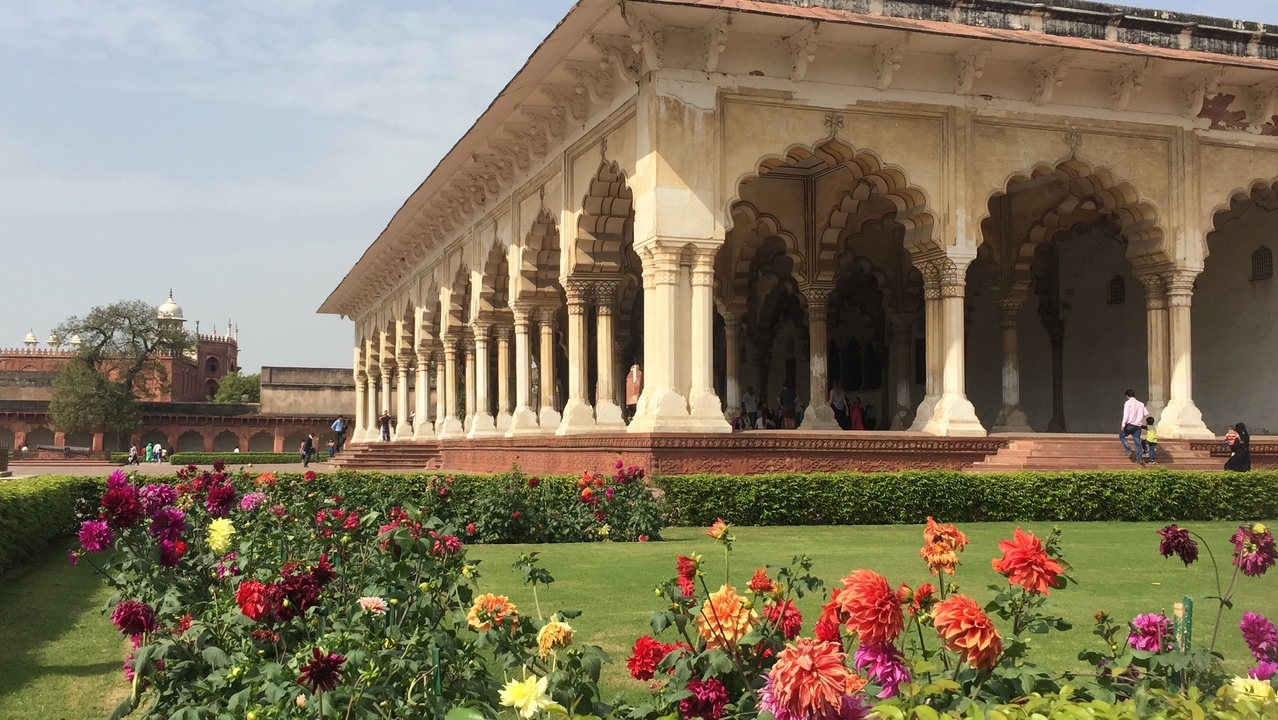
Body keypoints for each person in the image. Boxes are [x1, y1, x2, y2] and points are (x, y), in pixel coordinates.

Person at [1119, 389, 1147, 462]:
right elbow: (1146, 413)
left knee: (1122, 435)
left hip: (1130, 425)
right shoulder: (1141, 404)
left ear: (1127, 396)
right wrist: (1139, 415)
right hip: (1138, 426)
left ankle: (1128, 449)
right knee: (1137, 441)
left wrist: (1123, 425)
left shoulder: (1128, 403)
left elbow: (1126, 415)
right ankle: (1139, 457)